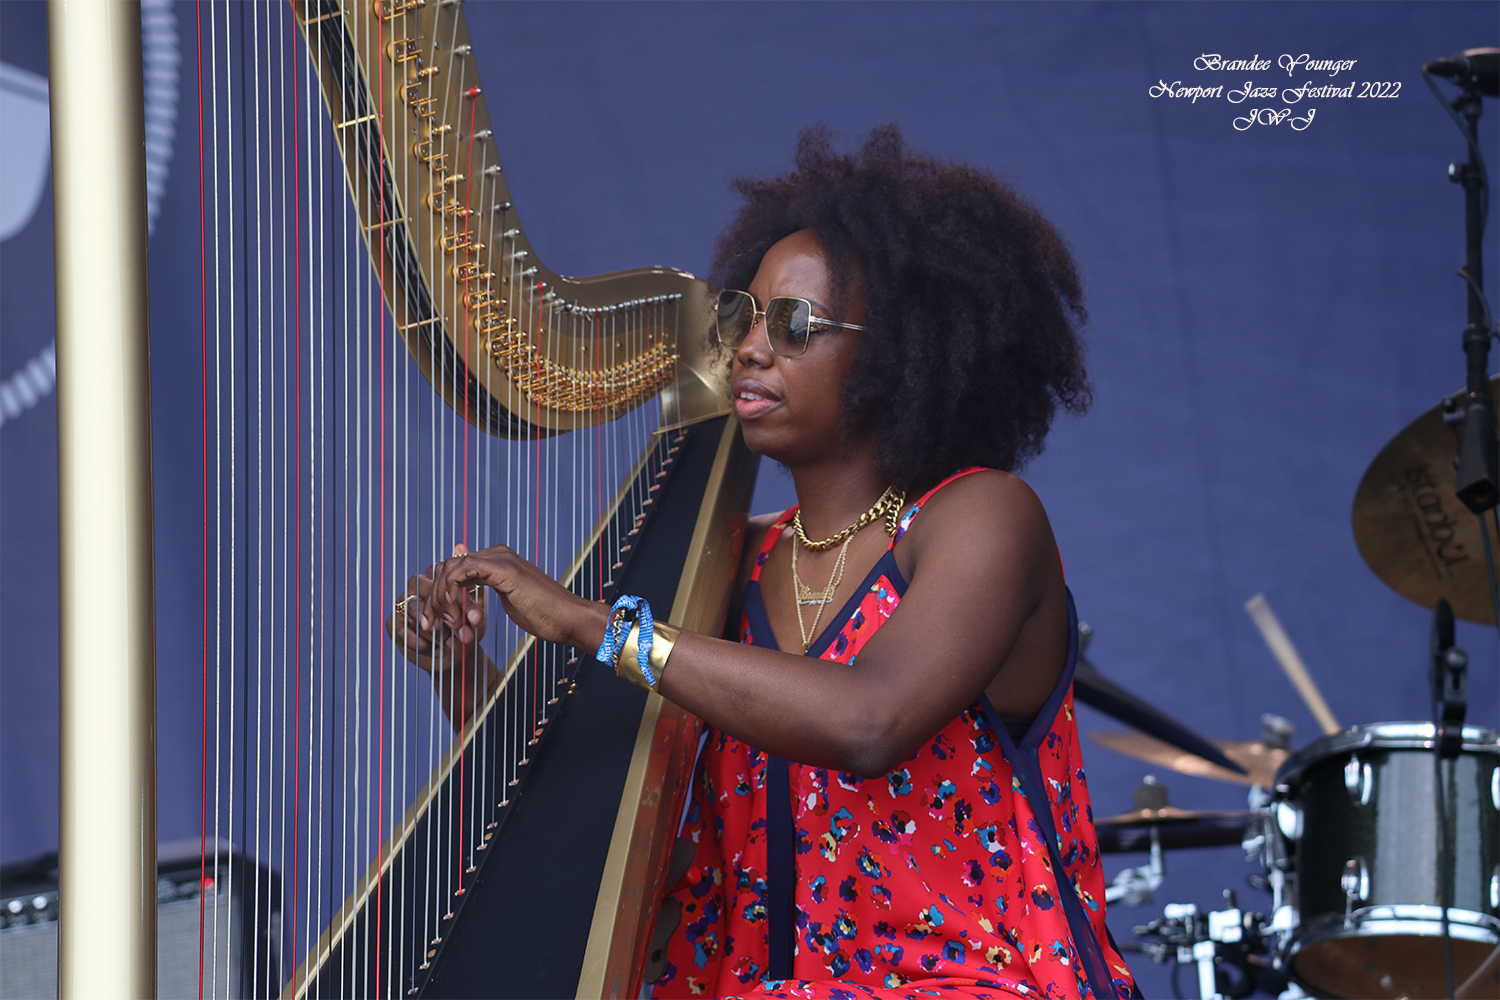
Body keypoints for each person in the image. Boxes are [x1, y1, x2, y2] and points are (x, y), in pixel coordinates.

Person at [393, 124, 1137, 1000]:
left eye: (794, 324)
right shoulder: (726, 566)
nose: (747, 348)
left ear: (900, 353)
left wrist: (595, 624)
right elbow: (604, 807)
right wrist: (458, 673)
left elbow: (869, 721)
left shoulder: (978, 519)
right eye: (742, 318)